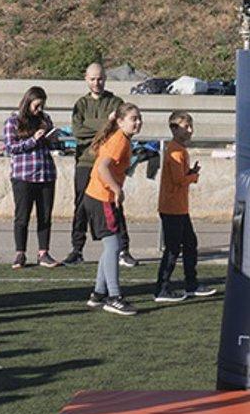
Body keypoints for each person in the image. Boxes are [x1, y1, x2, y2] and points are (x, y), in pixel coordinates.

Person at [84, 103, 142, 316]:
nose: (137, 122)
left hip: (99, 197)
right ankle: (114, 297)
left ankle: (99, 294)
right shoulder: (119, 140)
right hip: (102, 198)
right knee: (114, 245)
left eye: (139, 118)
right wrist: (116, 188)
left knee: (112, 246)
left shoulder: (121, 138)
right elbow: (102, 168)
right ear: (120, 122)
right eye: (133, 118)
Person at [68, 62, 127, 266]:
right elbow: (78, 131)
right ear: (86, 79)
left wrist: (97, 126)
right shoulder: (81, 104)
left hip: (108, 161)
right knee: (81, 206)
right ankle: (77, 249)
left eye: (100, 78)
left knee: (115, 203)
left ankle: (123, 249)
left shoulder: (115, 102)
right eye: (92, 79)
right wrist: (105, 123)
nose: (96, 82)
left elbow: (118, 128)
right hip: (85, 161)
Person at [155, 111, 215, 302]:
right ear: (174, 128)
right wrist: (193, 177)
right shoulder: (174, 151)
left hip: (179, 207)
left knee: (190, 243)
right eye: (185, 127)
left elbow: (180, 177)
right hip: (172, 207)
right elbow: (178, 180)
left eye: (190, 126)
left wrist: (190, 172)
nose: (190, 131)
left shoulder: (180, 150)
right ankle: (161, 288)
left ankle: (191, 283)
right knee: (173, 249)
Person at [4, 86, 61, 270]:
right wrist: (33, 140)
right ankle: (20, 253)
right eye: (36, 106)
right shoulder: (13, 121)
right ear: (28, 102)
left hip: (46, 174)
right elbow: (11, 147)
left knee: (45, 216)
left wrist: (53, 140)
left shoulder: (45, 119)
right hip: (23, 175)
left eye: (42, 106)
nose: (39, 110)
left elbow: (51, 146)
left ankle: (43, 253)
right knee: (22, 216)